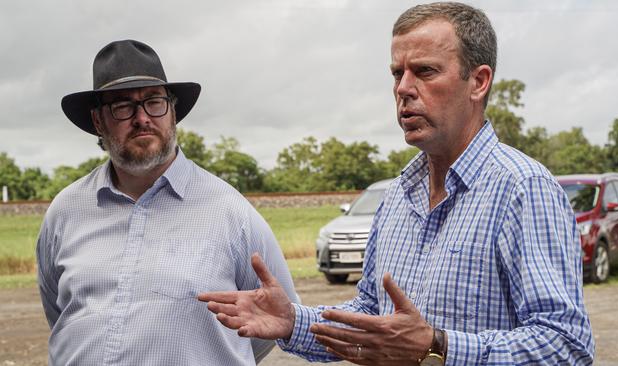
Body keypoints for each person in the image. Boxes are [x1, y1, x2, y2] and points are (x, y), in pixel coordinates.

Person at [198, 2, 595, 365]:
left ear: (478, 82)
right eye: (396, 73)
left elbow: (567, 346)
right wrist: (293, 321)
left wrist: (437, 345)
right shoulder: (399, 196)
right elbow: (373, 315)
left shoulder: (523, 189)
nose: (403, 88)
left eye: (424, 71)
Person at [36, 39, 298, 365]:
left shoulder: (230, 211)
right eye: (122, 106)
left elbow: (273, 320)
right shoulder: (65, 211)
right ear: (98, 121)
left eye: (154, 101)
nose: (142, 118)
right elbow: (60, 315)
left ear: (173, 112)